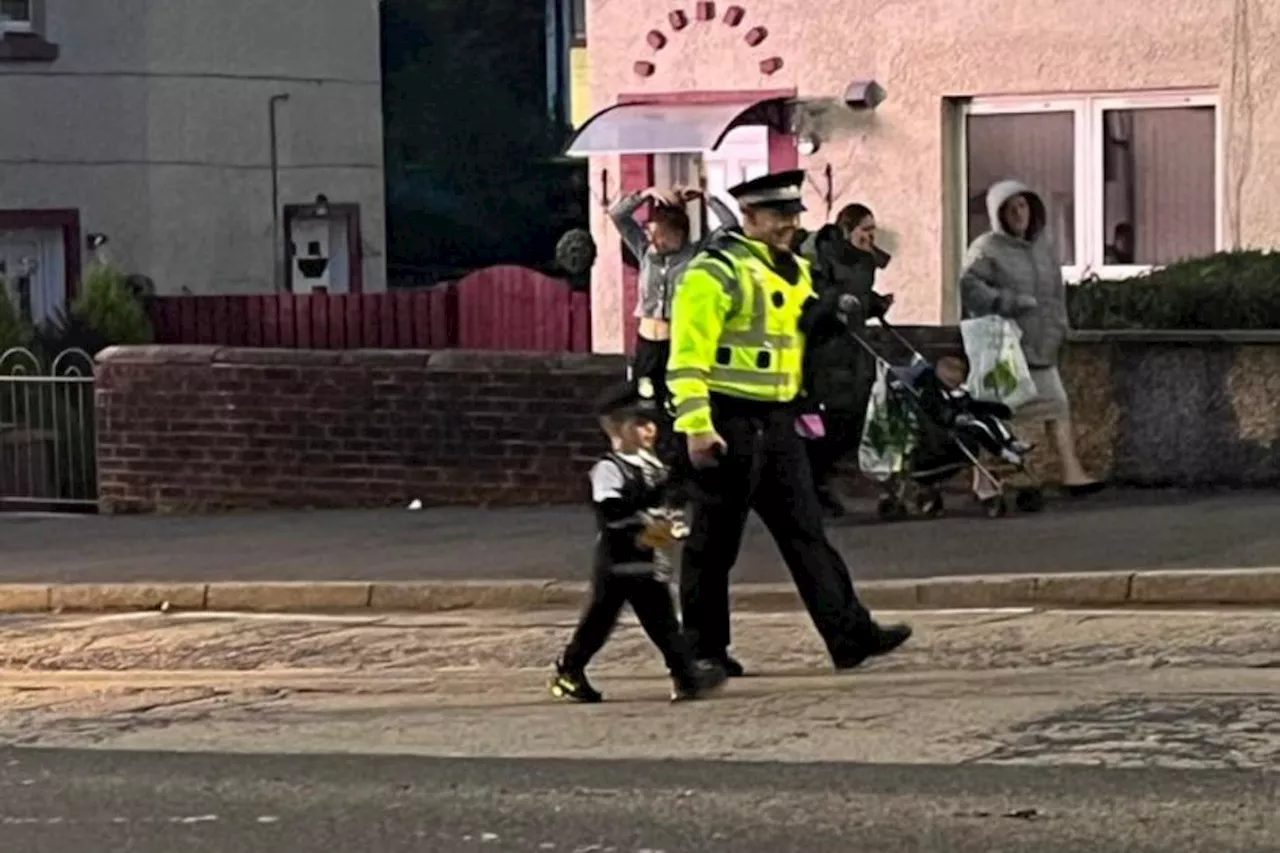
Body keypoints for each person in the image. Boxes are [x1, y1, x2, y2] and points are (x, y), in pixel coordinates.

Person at [666, 169, 913, 677]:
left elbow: (799, 323)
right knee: (714, 543)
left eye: (794, 216)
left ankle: (851, 636)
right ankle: (703, 648)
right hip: (726, 419)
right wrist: (696, 424)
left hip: (776, 420)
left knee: (806, 532)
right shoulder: (715, 273)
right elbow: (686, 356)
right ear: (749, 217)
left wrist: (836, 309)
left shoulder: (790, 269)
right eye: (779, 216)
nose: (790, 225)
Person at [549, 380, 729, 703]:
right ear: (616, 428)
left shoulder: (653, 465)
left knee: (657, 623)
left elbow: (669, 501)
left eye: (651, 424)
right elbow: (611, 511)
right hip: (618, 562)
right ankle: (571, 670)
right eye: (639, 424)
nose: (649, 431)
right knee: (604, 624)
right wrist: (654, 497)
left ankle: (683, 674)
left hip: (647, 556)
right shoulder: (608, 469)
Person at [959, 179, 1105, 496]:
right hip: (1005, 348)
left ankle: (1071, 472)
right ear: (999, 214)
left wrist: (1062, 323)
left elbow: (1055, 290)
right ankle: (983, 480)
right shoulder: (986, 248)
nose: (1018, 213)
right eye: (1010, 209)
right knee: (993, 413)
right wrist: (1007, 302)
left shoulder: (1043, 248)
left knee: (1057, 404)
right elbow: (970, 287)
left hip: (1042, 344)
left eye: (1022, 205)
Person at [610, 185, 740, 436]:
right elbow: (618, 216)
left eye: (662, 234)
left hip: (677, 340)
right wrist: (645, 193)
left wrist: (706, 195)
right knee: (644, 400)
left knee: (676, 401)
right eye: (653, 233)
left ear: (679, 234)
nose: (655, 240)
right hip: (648, 341)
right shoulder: (646, 252)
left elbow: (730, 226)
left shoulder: (697, 254)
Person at [796, 203, 895, 516]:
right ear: (847, 229)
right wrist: (835, 303)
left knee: (852, 418)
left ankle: (821, 482)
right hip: (823, 349)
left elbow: (860, 297)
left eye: (872, 230)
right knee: (825, 420)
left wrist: (876, 304)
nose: (869, 236)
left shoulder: (865, 262)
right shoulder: (822, 255)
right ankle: (814, 486)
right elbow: (811, 297)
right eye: (864, 230)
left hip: (853, 349)